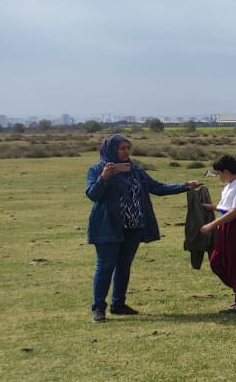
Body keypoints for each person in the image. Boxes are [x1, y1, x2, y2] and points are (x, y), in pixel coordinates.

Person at [84, 134, 201, 322]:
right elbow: (93, 195)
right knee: (105, 266)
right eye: (121, 148)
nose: (125, 152)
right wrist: (104, 178)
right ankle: (98, 308)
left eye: (127, 148)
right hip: (107, 227)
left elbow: (157, 188)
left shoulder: (135, 170)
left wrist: (185, 186)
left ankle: (118, 304)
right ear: (111, 149)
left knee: (124, 265)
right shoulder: (97, 169)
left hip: (133, 226)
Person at [199, 154, 236, 313]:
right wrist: (211, 207)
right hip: (227, 224)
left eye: (219, 173)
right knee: (217, 260)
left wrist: (211, 225)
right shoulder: (230, 185)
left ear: (226, 171)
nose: (218, 177)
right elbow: (227, 207)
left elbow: (235, 211)